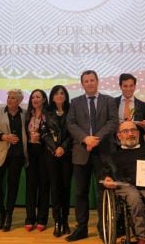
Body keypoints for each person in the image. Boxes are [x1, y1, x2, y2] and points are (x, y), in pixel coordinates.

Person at [66, 70, 119, 242]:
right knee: (80, 192)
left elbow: (113, 122)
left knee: (102, 192)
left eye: (92, 80)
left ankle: (103, 228)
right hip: (81, 153)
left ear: (97, 81)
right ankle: (81, 228)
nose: (89, 83)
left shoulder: (109, 100)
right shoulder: (74, 102)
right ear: (82, 84)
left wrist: (95, 139)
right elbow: (70, 123)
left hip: (103, 153)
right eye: (86, 81)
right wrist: (85, 138)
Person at [102, 120, 145, 244]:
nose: (130, 134)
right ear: (119, 135)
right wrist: (108, 179)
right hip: (126, 186)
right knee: (134, 198)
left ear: (138, 133)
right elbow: (106, 175)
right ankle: (142, 237)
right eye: (125, 131)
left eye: (133, 130)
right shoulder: (113, 155)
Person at [0, 89, 28, 232]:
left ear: (19, 101)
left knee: (13, 186)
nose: (9, 100)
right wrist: (5, 137)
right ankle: (1, 212)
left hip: (17, 155)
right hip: (0, 154)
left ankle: (8, 217)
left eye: (13, 98)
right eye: (9, 97)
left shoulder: (24, 113)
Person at [41, 85, 73, 237]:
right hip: (51, 155)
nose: (59, 96)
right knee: (55, 187)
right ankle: (57, 221)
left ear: (65, 96)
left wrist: (63, 148)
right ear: (52, 97)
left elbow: (73, 132)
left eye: (62, 93)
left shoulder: (71, 111)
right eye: (56, 93)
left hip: (67, 155)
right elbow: (44, 132)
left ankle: (65, 220)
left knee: (66, 187)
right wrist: (55, 148)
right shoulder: (46, 112)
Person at [24, 89, 50, 232]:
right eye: (33, 97)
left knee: (44, 187)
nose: (35, 99)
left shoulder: (48, 115)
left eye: (38, 97)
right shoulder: (27, 115)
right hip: (30, 154)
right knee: (30, 186)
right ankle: (30, 218)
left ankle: (42, 219)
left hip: (44, 154)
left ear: (44, 99)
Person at [115, 73, 145, 142]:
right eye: (125, 86)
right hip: (117, 144)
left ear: (135, 86)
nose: (128, 89)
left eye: (131, 86)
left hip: (137, 144)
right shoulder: (112, 103)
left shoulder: (143, 105)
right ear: (120, 86)